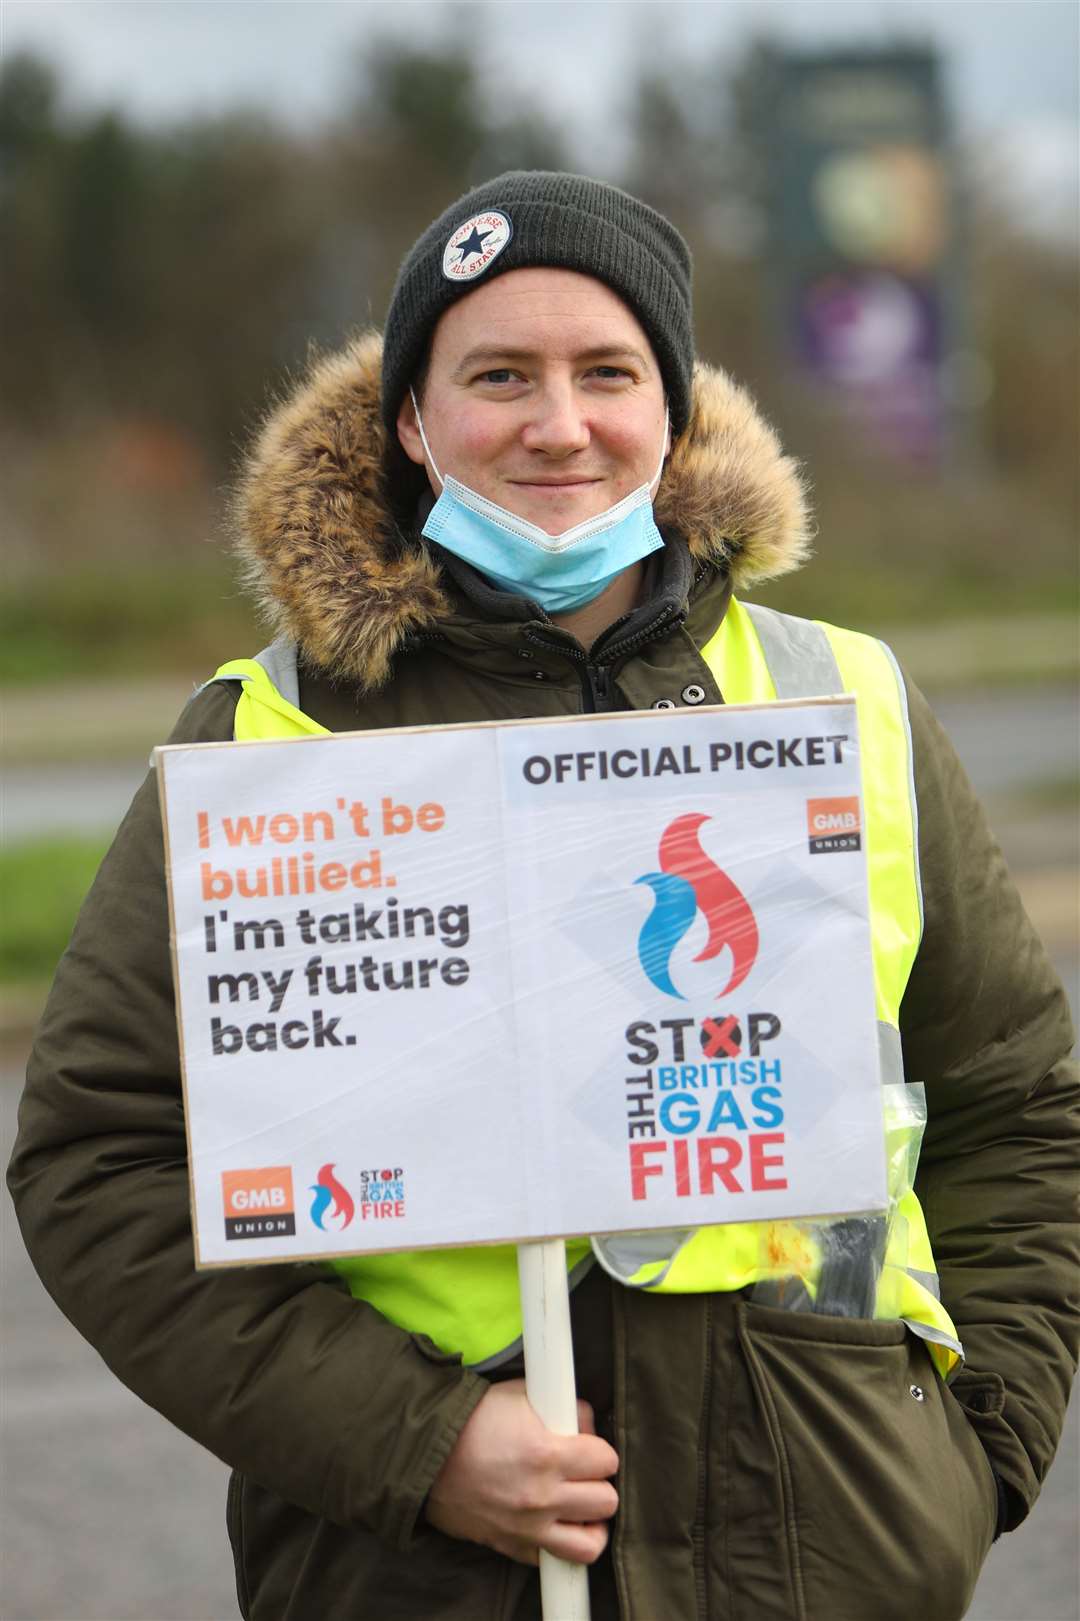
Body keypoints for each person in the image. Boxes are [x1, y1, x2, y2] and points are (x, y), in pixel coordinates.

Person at [9, 171, 1077, 1621]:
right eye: (497, 375)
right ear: (411, 418)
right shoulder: (267, 739)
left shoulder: (851, 698)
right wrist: (417, 1443)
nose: (557, 424)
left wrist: (971, 1458)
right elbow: (101, 1161)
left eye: (607, 372)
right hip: (423, 1574)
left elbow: (1018, 1104)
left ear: (676, 408)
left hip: (830, 1554)